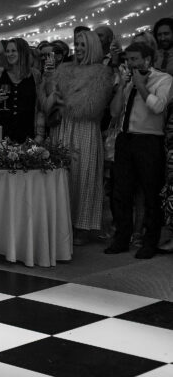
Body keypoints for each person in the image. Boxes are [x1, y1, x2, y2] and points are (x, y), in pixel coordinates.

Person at [43, 30, 115, 245]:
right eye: (77, 44)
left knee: (83, 176)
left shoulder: (102, 73)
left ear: (92, 46)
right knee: (63, 176)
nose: (79, 49)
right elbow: (50, 98)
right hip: (62, 128)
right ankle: (62, 222)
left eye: (84, 45)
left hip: (84, 131)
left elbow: (92, 107)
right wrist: (53, 94)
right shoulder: (64, 69)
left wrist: (63, 101)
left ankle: (82, 226)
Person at [105, 43, 172, 259]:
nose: (130, 64)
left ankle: (149, 241)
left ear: (147, 60)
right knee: (121, 191)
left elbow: (158, 106)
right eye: (128, 59)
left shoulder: (164, 80)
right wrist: (123, 88)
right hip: (125, 139)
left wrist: (141, 85)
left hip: (149, 140)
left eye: (135, 59)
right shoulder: (127, 81)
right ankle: (121, 237)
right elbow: (115, 112)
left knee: (150, 192)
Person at [0, 36, 44, 143]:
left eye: (14, 51)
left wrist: (40, 135)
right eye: (7, 51)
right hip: (0, 135)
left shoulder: (35, 75)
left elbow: (40, 107)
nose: (9, 54)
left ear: (23, 52)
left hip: (27, 134)